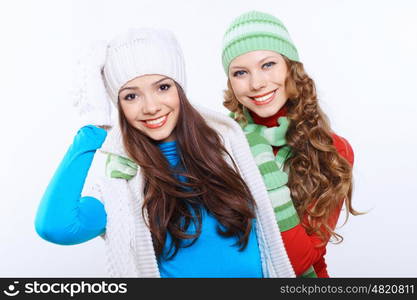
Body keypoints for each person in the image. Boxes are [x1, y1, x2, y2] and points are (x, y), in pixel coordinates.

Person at [35, 28, 296, 278]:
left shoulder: (231, 149)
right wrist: (92, 129)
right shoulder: (121, 185)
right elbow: (56, 227)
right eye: (130, 97)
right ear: (118, 106)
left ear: (180, 89)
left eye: (162, 88)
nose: (151, 107)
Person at [221, 11, 360, 277]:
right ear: (231, 82)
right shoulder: (218, 142)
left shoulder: (332, 151)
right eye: (241, 72)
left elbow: (297, 261)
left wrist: (266, 173)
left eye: (268, 64)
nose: (257, 83)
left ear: (290, 67)